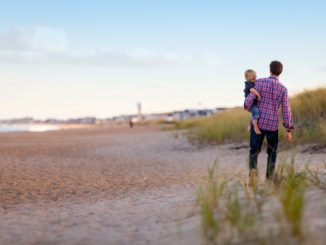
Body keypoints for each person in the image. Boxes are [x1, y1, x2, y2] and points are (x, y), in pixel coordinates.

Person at [244, 61, 294, 184]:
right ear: (281, 72)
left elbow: (247, 104)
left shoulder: (259, 82)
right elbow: (286, 110)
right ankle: (269, 179)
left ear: (269, 70)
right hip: (272, 125)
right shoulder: (283, 89)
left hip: (258, 123)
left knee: (254, 151)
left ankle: (253, 173)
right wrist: (288, 129)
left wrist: (250, 102)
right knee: (272, 152)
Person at [243, 69, 262, 135]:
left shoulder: (255, 82)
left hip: (254, 102)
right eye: (253, 77)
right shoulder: (248, 84)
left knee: (254, 114)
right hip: (250, 103)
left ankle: (250, 125)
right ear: (248, 78)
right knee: (256, 113)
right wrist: (258, 95)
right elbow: (252, 90)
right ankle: (255, 128)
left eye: (255, 76)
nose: (255, 78)